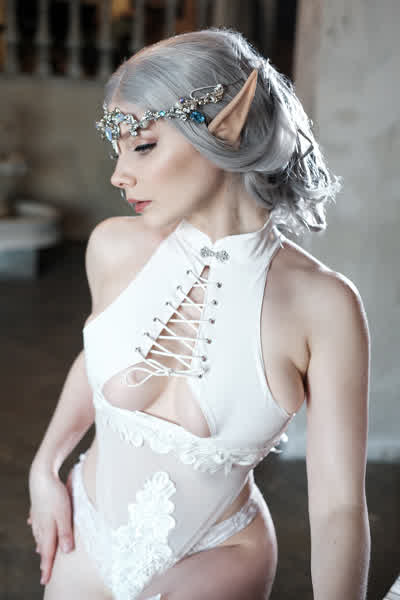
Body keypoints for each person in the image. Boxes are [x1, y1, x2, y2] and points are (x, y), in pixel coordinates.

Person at [27, 27, 371, 600]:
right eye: (118, 148)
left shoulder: (324, 305)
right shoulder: (113, 247)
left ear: (226, 126)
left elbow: (338, 506)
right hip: (83, 531)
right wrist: (45, 467)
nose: (119, 174)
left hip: (221, 553)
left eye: (143, 146)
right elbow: (97, 357)